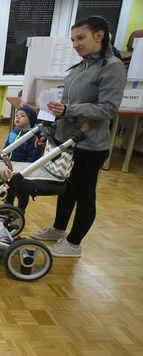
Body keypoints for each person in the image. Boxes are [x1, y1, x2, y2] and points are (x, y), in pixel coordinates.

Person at [31, 15, 127, 257]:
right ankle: (59, 229)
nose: (75, 44)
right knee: (68, 189)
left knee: (84, 194)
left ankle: (73, 243)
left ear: (99, 35)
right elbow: (69, 102)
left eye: (81, 38)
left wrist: (69, 110)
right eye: (73, 39)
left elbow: (108, 108)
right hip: (70, 140)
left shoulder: (112, 67)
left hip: (91, 144)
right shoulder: (82, 66)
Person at [0, 105, 42, 212]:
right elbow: (6, 148)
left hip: (22, 168)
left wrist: (26, 169)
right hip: (9, 164)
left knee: (22, 191)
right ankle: (8, 204)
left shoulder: (32, 139)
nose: (18, 118)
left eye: (22, 116)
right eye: (17, 115)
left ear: (31, 120)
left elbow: (33, 157)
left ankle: (21, 209)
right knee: (10, 188)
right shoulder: (13, 133)